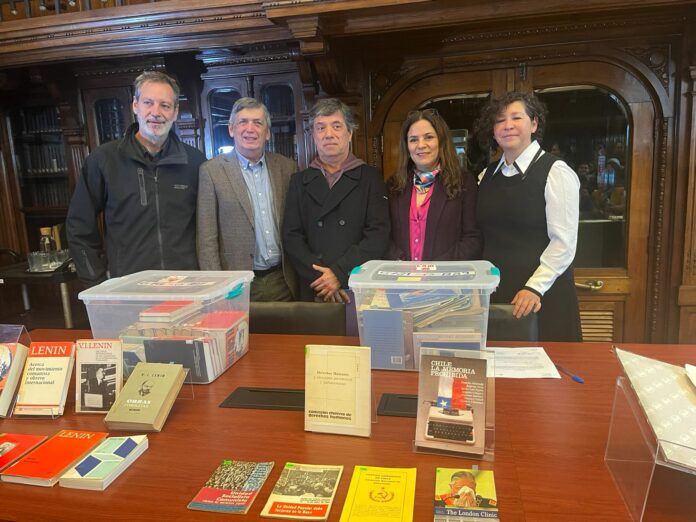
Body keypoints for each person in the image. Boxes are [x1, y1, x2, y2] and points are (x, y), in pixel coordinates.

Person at [67, 71, 205, 286]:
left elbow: (208, 227)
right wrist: (96, 282)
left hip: (185, 284)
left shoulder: (195, 162)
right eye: (148, 103)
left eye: (165, 105)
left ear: (175, 112)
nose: (156, 112)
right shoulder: (103, 159)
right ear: (135, 105)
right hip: (127, 287)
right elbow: (79, 225)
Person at [474, 91, 581, 341]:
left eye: (516, 117)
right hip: (497, 295)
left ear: (534, 124)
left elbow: (563, 243)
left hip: (542, 296)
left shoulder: (556, 172)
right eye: (500, 120)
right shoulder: (485, 176)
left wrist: (534, 288)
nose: (507, 125)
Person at [283, 98, 390, 302]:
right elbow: (292, 237)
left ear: (350, 133)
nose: (329, 134)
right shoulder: (299, 181)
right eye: (320, 127)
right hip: (315, 286)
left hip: (356, 283)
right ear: (313, 135)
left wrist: (340, 274)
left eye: (336, 126)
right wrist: (323, 279)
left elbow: (378, 235)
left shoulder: (370, 178)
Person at [197, 97, 298, 301]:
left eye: (258, 123)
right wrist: (218, 289)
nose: (250, 129)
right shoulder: (211, 171)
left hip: (283, 281)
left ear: (267, 133)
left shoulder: (287, 168)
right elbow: (206, 239)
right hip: (235, 285)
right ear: (231, 129)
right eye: (243, 122)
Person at [387, 108, 481, 261]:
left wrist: (436, 269)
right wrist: (400, 263)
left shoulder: (464, 183)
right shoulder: (394, 185)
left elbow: (472, 238)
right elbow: (383, 234)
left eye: (429, 137)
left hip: (445, 274)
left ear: (441, 142)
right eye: (413, 139)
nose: (421, 145)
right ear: (407, 146)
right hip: (402, 274)